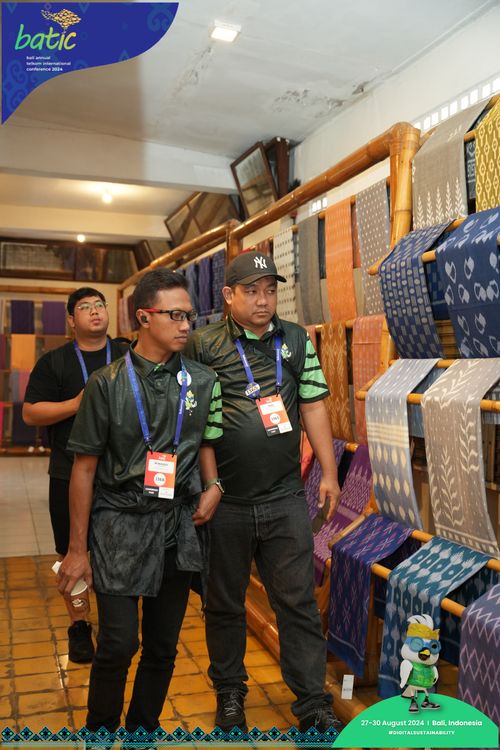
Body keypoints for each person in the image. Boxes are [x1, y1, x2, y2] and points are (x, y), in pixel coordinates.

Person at [56, 268, 223, 735]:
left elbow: (206, 443)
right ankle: (100, 732)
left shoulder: (203, 380)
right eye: (175, 315)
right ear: (144, 317)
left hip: (177, 525)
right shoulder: (106, 384)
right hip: (119, 525)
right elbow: (83, 469)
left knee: (163, 647)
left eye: (189, 315)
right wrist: (76, 549)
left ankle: (141, 733)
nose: (186, 325)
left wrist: (213, 485)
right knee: (118, 642)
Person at [184, 251, 343, 732]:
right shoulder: (203, 344)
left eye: (270, 290)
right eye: (251, 291)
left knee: (296, 603)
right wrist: (204, 485)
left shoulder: (295, 339)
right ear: (228, 295)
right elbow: (191, 420)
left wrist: (330, 473)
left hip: (284, 497)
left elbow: (313, 405)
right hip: (225, 502)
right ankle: (230, 693)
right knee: (224, 603)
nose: (262, 300)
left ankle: (312, 702)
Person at [23, 287, 128, 663]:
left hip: (121, 471)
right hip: (69, 471)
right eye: (85, 307)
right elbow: (30, 413)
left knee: (119, 550)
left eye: (100, 305)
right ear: (71, 320)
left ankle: (118, 623)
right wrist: (76, 403)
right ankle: (79, 625)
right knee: (72, 552)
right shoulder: (55, 362)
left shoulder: (127, 353)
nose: (95, 311)